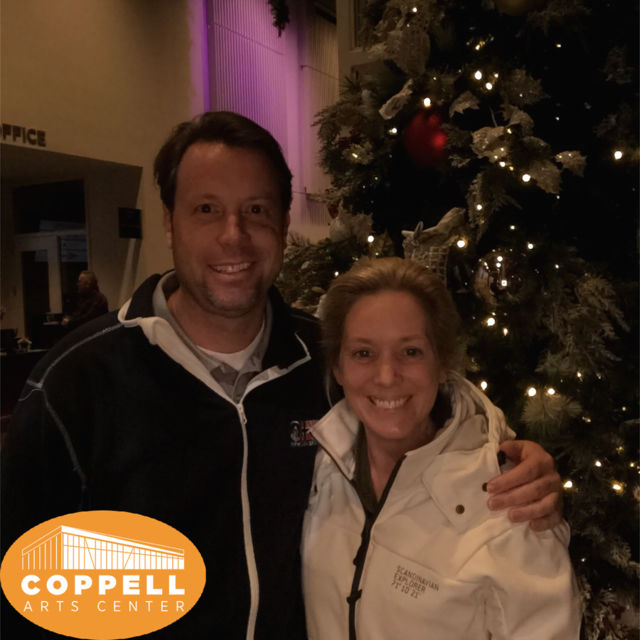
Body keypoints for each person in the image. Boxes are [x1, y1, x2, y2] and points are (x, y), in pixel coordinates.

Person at [2, 112, 561, 639]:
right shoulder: (78, 382)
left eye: (256, 210)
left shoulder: (324, 359)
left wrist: (512, 460)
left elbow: (422, 400)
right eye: (206, 209)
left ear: (283, 224)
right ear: (169, 222)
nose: (234, 235)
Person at [302, 257, 582, 639]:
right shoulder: (321, 467)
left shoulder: (511, 504)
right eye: (363, 353)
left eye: (411, 352)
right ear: (338, 368)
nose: (386, 376)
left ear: (441, 363)